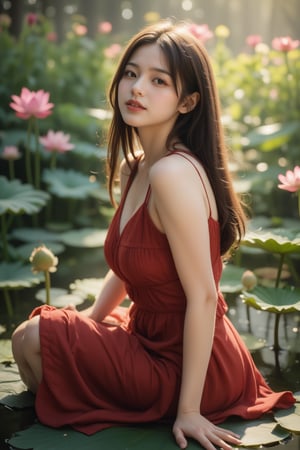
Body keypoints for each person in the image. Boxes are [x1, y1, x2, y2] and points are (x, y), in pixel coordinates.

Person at [11, 20, 295, 450]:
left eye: (157, 80)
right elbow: (130, 265)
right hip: (149, 335)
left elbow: (202, 296)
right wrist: (92, 318)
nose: (136, 88)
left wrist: (189, 412)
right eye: (131, 73)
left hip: (188, 364)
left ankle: (151, 411)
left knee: (32, 339)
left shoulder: (172, 173)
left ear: (188, 101)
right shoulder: (137, 167)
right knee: (45, 346)